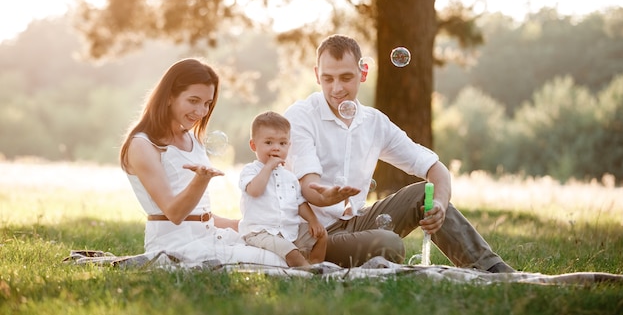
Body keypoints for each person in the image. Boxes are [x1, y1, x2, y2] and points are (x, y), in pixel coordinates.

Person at [283, 34, 516, 272]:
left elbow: (435, 169)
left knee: (422, 195)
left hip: (353, 223)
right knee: (389, 244)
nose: (337, 88)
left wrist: (439, 204)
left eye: (346, 77)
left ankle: (494, 270)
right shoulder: (300, 117)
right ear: (316, 75)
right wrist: (327, 195)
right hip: (312, 236)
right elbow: (309, 189)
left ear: (363, 73)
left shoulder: (374, 122)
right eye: (328, 78)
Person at [119, 58, 284, 266]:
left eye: (207, 104)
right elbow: (175, 213)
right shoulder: (143, 145)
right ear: (169, 96)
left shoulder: (192, 140)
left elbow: (200, 216)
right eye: (193, 101)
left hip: (209, 237)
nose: (201, 112)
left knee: (280, 250)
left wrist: (244, 226)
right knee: (272, 261)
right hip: (175, 245)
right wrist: (200, 180)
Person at [238, 111, 327, 267]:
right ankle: (308, 273)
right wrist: (269, 167)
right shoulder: (250, 171)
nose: (276, 148)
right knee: (290, 251)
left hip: (288, 231)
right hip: (260, 232)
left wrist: (313, 220)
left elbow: (299, 203)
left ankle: (316, 265)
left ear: (289, 146)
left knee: (322, 235)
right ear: (253, 145)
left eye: (282, 143)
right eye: (269, 142)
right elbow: (255, 191)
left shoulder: (290, 177)